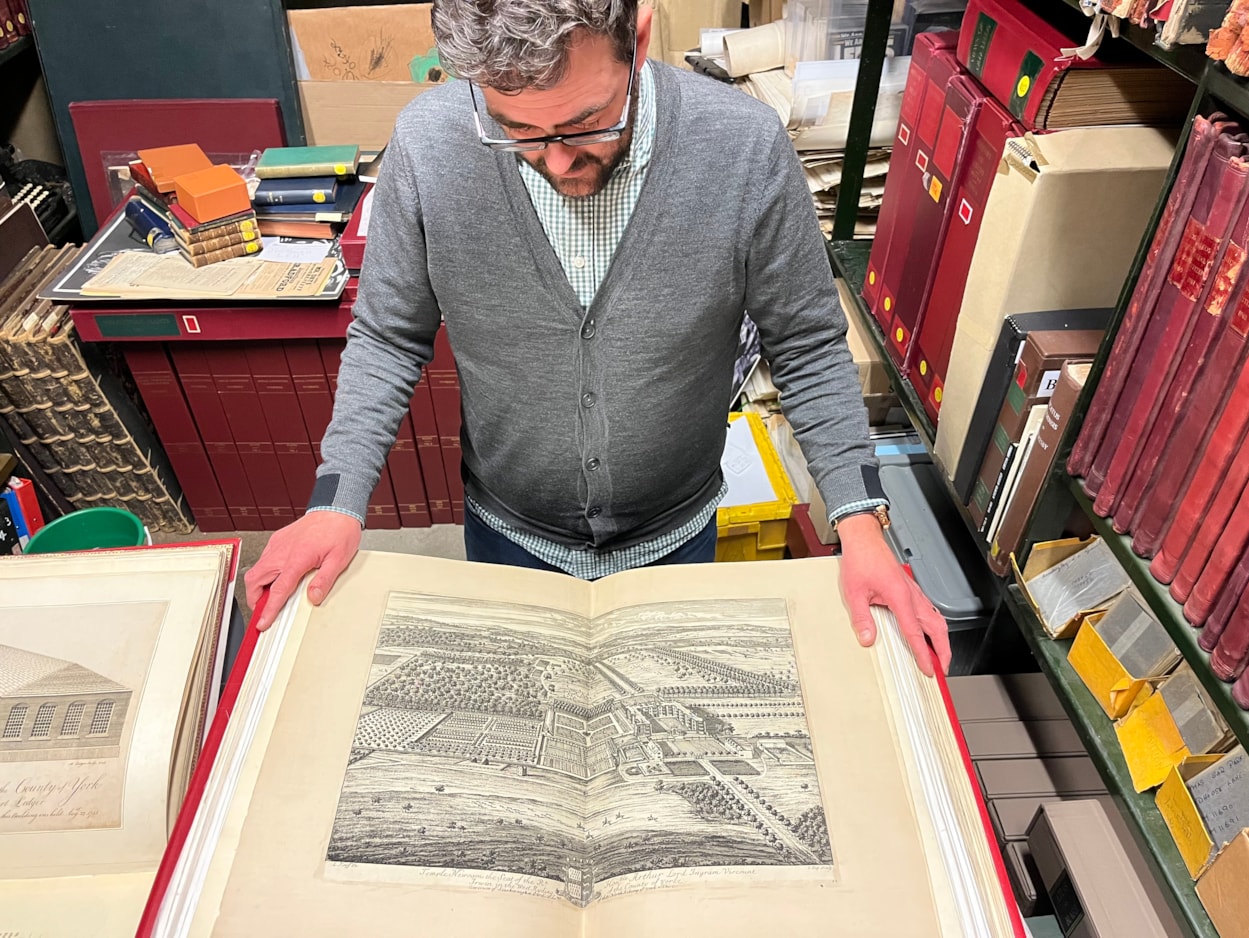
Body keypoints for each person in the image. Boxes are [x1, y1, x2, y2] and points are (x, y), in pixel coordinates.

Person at [245, 0, 951, 676]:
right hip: (508, 535)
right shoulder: (429, 147)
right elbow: (389, 337)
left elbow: (805, 344)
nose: (555, 161)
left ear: (638, 40)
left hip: (675, 536)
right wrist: (335, 502)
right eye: (516, 129)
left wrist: (860, 521)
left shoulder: (741, 148)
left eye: (586, 123)